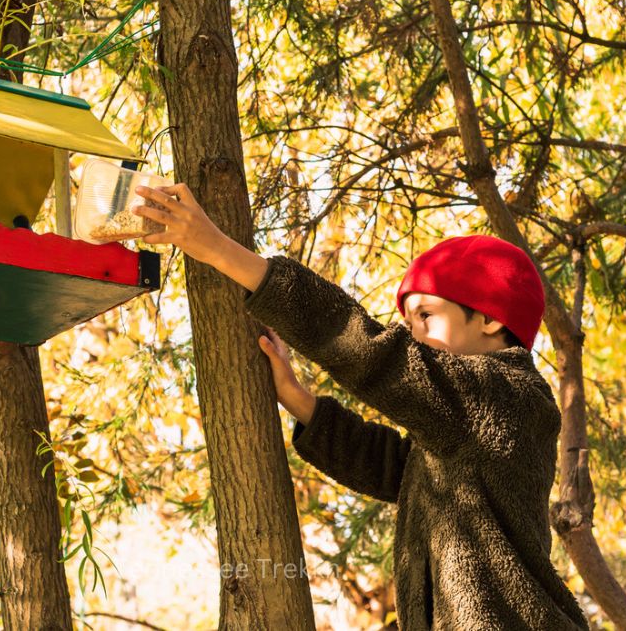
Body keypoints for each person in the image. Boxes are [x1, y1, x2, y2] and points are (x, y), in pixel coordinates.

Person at [133, 183, 588, 631]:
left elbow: (375, 354)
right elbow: (398, 469)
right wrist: (300, 402)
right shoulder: (463, 424)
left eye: (426, 315)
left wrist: (215, 248)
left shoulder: (507, 397)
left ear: (490, 318)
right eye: (407, 323)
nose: (412, 336)